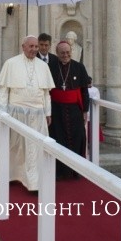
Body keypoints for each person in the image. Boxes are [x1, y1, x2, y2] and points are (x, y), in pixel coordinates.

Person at [0, 36, 54, 191]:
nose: (34, 49)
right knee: (14, 146)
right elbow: (4, 91)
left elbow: (46, 93)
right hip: (16, 113)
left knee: (36, 148)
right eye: (31, 46)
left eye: (36, 47)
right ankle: (9, 175)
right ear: (23, 46)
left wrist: (48, 113)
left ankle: (35, 182)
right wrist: (2, 114)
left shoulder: (43, 66)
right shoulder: (10, 63)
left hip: (37, 114)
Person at [49, 40, 90, 177]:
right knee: (58, 138)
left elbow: (84, 90)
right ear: (57, 53)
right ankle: (59, 172)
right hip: (56, 110)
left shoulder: (79, 67)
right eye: (62, 53)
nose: (65, 55)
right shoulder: (51, 66)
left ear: (71, 51)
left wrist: (85, 110)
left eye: (67, 52)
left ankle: (75, 171)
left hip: (75, 111)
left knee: (77, 138)